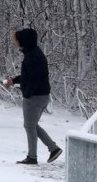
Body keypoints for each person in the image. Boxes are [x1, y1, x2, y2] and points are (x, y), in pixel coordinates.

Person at [4, 28, 62, 165]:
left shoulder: (32, 56)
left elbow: (34, 78)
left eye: (18, 40)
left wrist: (27, 93)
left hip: (35, 97)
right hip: (42, 95)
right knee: (32, 125)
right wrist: (15, 80)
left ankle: (32, 157)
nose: (16, 43)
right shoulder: (35, 53)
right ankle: (53, 149)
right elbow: (29, 75)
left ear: (25, 41)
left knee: (29, 126)